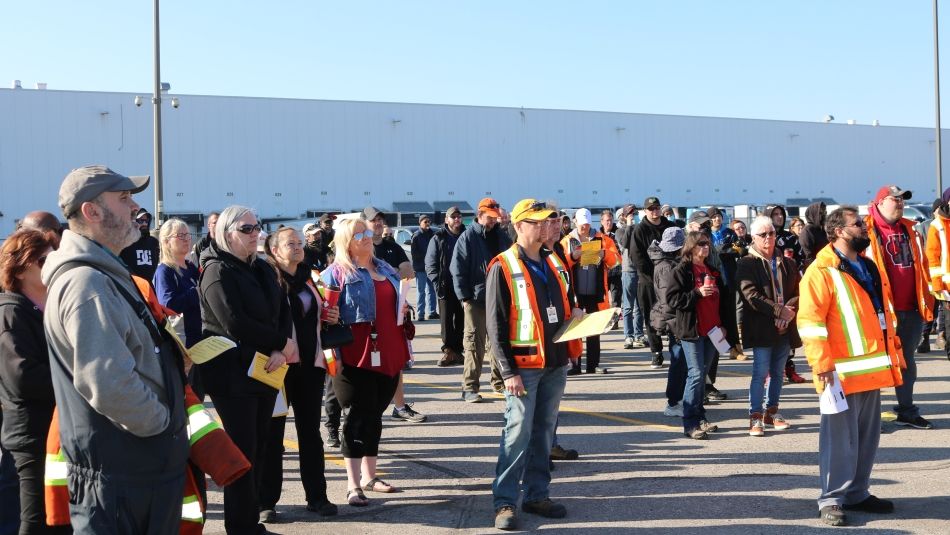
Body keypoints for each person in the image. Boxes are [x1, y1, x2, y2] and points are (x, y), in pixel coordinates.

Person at [44, 165, 189, 533]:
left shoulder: (104, 272)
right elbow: (109, 383)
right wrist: (162, 427)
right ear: (91, 212)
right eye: (123, 199)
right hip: (123, 477)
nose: (134, 207)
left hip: (133, 472)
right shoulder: (87, 283)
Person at [798, 206, 903, 527]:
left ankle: (857, 492)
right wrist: (821, 365)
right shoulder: (822, 271)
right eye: (858, 224)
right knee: (839, 441)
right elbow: (810, 322)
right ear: (839, 231)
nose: (864, 227)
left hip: (870, 369)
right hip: (839, 372)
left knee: (867, 439)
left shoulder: (867, 266)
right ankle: (831, 498)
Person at [199, 204, 296, 534]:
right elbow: (233, 323)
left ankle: (250, 521)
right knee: (242, 449)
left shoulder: (263, 269)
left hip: (267, 367)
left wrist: (279, 347)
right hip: (232, 374)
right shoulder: (216, 271)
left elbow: (283, 306)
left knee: (261, 444)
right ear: (227, 234)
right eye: (247, 229)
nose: (255, 234)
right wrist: (280, 344)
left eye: (257, 227)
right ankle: (239, 526)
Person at [488, 199, 581, 531]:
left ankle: (537, 494)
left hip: (554, 363)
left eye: (547, 222)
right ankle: (505, 501)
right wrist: (508, 371)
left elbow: (562, 308)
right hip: (523, 367)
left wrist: (577, 321)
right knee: (518, 432)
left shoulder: (553, 261)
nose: (545, 227)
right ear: (519, 226)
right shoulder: (503, 265)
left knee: (543, 433)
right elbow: (495, 326)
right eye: (537, 222)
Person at [321, 218, 410, 507]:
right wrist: (329, 315)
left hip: (389, 351)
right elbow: (323, 313)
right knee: (358, 417)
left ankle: (371, 476)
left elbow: (394, 302)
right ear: (346, 241)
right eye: (358, 234)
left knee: (375, 415)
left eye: (368, 232)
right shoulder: (335, 274)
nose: (366, 237)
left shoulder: (384, 267)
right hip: (355, 354)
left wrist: (403, 306)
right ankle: (353, 484)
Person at [258, 227, 338, 521]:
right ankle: (266, 501)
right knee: (272, 435)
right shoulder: (266, 277)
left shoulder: (308, 276)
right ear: (275, 249)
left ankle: (317, 496)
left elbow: (314, 313)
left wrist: (328, 316)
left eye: (299, 243)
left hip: (310, 366)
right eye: (290, 243)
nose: (298, 247)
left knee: (310, 434)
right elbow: (263, 319)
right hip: (277, 366)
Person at [0, 230, 70, 535]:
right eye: (43, 260)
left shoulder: (50, 308)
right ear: (19, 267)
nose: (51, 265)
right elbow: (22, 377)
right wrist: (77, 383)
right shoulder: (11, 312)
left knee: (58, 518)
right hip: (30, 435)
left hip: (58, 429)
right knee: (33, 520)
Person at [864, 186, 934, 429]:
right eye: (896, 199)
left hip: (911, 309)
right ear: (881, 202)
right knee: (874, 362)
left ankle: (907, 410)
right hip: (879, 310)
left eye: (903, 199)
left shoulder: (911, 229)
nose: (901, 203)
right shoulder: (865, 230)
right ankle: (868, 416)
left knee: (907, 362)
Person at [736, 216, 801, 436]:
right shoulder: (747, 262)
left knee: (777, 372)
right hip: (762, 325)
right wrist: (777, 310)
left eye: (771, 233)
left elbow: (799, 292)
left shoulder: (788, 261)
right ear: (753, 238)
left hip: (785, 326)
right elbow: (750, 295)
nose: (768, 238)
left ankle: (772, 411)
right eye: (763, 235)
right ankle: (755, 415)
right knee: (760, 372)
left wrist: (789, 311)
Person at [362, 206, 426, 423]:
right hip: (368, 316)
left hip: (393, 312)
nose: (378, 223)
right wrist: (391, 274)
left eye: (380, 220)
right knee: (368, 365)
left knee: (396, 361)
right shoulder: (362, 248)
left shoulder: (392, 246)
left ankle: (399, 407)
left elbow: (408, 271)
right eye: (373, 220)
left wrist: (387, 275)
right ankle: (365, 413)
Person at [665, 231, 726, 440]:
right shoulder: (681, 270)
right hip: (692, 330)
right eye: (701, 244)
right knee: (696, 374)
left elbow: (721, 300)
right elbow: (672, 299)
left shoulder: (711, 269)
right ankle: (690, 422)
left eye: (707, 244)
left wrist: (723, 326)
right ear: (691, 247)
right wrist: (697, 293)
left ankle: (700, 417)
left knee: (703, 375)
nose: (706, 247)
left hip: (712, 330)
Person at [451, 198, 512, 402]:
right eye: (490, 218)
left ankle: (499, 383)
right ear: (480, 215)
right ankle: (469, 387)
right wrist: (465, 298)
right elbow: (457, 269)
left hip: (499, 299)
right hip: (475, 300)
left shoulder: (502, 237)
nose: (493, 222)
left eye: (495, 218)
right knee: (474, 344)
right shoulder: (467, 238)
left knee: (499, 342)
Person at [559, 208, 621, 374]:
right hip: (575, 292)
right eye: (581, 225)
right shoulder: (567, 241)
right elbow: (559, 264)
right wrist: (573, 256)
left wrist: (604, 254)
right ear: (576, 223)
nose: (584, 228)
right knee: (576, 328)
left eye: (586, 224)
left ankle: (593, 364)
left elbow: (616, 261)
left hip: (596, 291)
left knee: (594, 328)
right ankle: (575, 364)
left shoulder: (603, 239)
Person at [649, 227, 688, 418]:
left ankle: (680, 399)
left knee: (682, 361)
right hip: (675, 319)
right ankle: (673, 402)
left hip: (676, 317)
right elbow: (669, 299)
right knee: (678, 361)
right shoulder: (665, 266)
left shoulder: (670, 263)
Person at [631, 196, 674, 368]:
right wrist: (654, 274)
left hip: (671, 280)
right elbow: (637, 257)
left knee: (672, 314)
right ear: (645, 211)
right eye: (651, 209)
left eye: (656, 208)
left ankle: (675, 348)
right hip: (648, 281)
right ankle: (656, 352)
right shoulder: (640, 230)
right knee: (651, 317)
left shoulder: (670, 227)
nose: (654, 211)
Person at [425, 207, 466, 367]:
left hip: (463, 286)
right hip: (446, 286)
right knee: (447, 321)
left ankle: (459, 351)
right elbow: (430, 263)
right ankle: (448, 351)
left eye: (459, 216)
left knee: (463, 321)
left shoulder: (468, 236)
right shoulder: (439, 238)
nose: (456, 219)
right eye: (453, 217)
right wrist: (436, 281)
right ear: (446, 220)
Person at [153, 219, 202, 348]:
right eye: (180, 235)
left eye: (187, 234)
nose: (186, 239)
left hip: (200, 336)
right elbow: (168, 305)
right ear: (166, 241)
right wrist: (195, 292)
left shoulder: (190, 266)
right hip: (183, 341)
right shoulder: (164, 271)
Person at [616, 204, 645, 349]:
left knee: (640, 306)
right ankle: (628, 336)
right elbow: (626, 243)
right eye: (629, 215)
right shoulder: (620, 231)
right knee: (628, 306)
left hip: (640, 270)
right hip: (628, 270)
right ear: (622, 217)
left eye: (633, 214)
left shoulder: (639, 229)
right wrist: (628, 224)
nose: (632, 217)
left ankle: (639, 334)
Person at [119, 207, 161, 281]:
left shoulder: (153, 242)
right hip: (131, 285)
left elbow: (155, 265)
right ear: (134, 221)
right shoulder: (126, 242)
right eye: (141, 221)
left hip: (148, 286)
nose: (145, 223)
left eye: (146, 220)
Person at [410, 215, 438, 320]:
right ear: (420, 223)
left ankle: (432, 312)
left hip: (431, 268)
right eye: (425, 222)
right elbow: (414, 254)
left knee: (431, 290)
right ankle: (420, 314)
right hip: (420, 268)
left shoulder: (432, 234)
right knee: (421, 291)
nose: (427, 223)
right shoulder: (416, 236)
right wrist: (427, 256)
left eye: (429, 221)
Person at [599, 209, 622, 320]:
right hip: (601, 272)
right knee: (602, 298)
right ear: (601, 222)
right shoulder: (597, 235)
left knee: (616, 298)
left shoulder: (618, 233)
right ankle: (604, 320)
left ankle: (615, 321)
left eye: (611, 220)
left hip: (616, 271)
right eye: (607, 220)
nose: (609, 223)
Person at [798, 201, 828, 269]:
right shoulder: (808, 230)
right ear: (814, 214)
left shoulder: (822, 230)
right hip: (816, 269)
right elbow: (808, 255)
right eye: (821, 213)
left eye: (825, 212)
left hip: (826, 265)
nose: (824, 215)